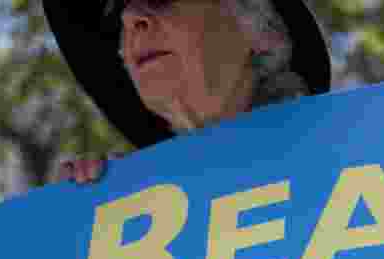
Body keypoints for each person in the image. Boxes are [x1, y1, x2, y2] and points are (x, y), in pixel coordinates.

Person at [42, 0, 332, 183]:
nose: (129, 16)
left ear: (262, 32)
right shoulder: (126, 214)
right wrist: (74, 226)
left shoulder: (347, 162)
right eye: (118, 8)